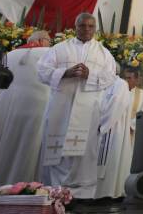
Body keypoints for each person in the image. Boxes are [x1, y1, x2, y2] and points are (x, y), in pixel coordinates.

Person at [37, 13, 117, 199]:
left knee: (84, 150)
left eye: (90, 26)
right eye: (82, 26)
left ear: (95, 29)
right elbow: (41, 70)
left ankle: (82, 194)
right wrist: (65, 73)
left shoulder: (103, 53)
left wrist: (91, 74)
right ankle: (53, 190)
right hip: (61, 108)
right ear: (76, 26)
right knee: (57, 147)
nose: (86, 29)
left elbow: (110, 77)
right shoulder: (59, 48)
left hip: (88, 110)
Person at [0, 30, 52, 185]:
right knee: (24, 146)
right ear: (43, 40)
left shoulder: (9, 55)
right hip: (35, 106)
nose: (50, 44)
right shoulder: (49, 53)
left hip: (3, 104)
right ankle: (19, 186)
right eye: (49, 41)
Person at [95, 67, 132, 199]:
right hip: (99, 127)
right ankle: (95, 193)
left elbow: (116, 106)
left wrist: (101, 124)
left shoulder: (120, 84)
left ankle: (106, 193)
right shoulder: (98, 83)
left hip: (113, 129)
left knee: (111, 159)